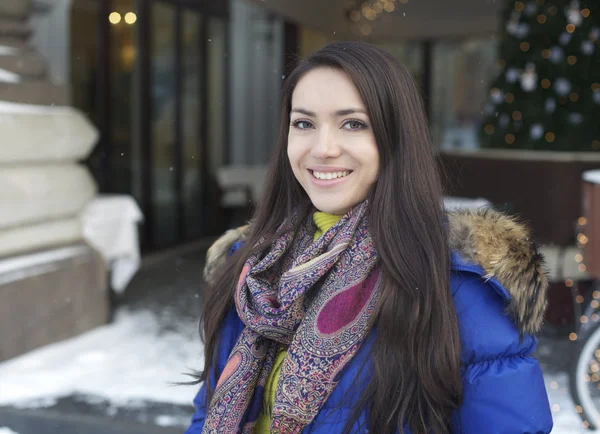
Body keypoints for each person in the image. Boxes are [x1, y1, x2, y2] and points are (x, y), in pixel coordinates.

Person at [185, 41, 553, 434]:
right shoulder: (253, 270)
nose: (323, 149)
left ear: (395, 137)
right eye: (304, 123)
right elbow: (207, 413)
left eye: (353, 124)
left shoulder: (454, 283)